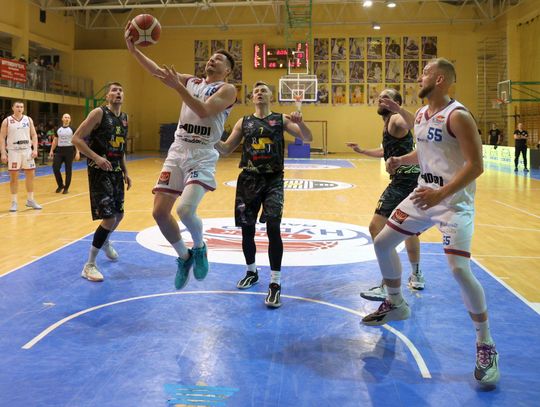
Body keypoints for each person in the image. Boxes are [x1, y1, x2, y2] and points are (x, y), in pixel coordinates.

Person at [361, 58, 499, 386]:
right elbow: (424, 154)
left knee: (459, 270)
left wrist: (442, 194)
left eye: (424, 72)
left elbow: (476, 165)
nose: (418, 77)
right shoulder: (422, 115)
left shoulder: (458, 116)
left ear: (440, 80)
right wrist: (400, 159)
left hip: (452, 203)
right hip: (423, 195)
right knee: (382, 243)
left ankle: (485, 343)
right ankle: (396, 302)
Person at [125, 25, 236, 290]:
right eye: (211, 57)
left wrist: (178, 87)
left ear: (227, 70)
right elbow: (156, 71)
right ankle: (184, 257)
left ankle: (199, 247)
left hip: (202, 154)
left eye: (219, 59)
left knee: (185, 210)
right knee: (159, 213)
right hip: (177, 151)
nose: (212, 60)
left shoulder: (227, 89)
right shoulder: (191, 81)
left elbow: (203, 111)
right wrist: (133, 50)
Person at [215, 81, 312, 307]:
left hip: (273, 179)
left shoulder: (281, 119)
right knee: (247, 229)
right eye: (256, 91)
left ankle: (275, 283)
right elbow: (226, 149)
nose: (259, 93)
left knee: (273, 228)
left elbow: (308, 138)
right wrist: (208, 138)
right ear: (252, 98)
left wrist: (301, 123)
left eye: (263, 91)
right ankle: (252, 272)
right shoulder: (243, 122)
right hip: (248, 179)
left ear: (271, 96)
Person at [346, 88, 425, 301]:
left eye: (386, 97)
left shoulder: (396, 118)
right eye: (380, 97)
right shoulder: (389, 123)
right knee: (409, 231)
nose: (381, 100)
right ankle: (416, 274)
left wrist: (398, 109)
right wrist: (363, 151)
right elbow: (385, 151)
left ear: (396, 102)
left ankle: (388, 283)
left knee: (376, 228)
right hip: (411, 181)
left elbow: (414, 123)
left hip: (404, 182)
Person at [72, 82, 132, 282]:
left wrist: (126, 172)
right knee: (109, 218)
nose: (118, 93)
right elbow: (76, 139)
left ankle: (105, 240)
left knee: (119, 215)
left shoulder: (124, 118)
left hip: (116, 171)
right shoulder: (98, 113)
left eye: (120, 90)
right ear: (107, 96)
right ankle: (89, 265)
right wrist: (96, 157)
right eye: (114, 90)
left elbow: (121, 148)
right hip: (99, 171)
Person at [0, 100, 42, 212]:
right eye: (17, 106)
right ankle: (14, 202)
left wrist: (35, 149)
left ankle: (30, 200)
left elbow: (34, 135)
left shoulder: (28, 119)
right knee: (14, 177)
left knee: (31, 175)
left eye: (21, 107)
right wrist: (3, 152)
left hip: (27, 150)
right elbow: (2, 137)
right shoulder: (7, 121)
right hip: (13, 151)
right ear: (13, 108)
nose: (20, 108)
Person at [49, 113, 80, 194]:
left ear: (70, 120)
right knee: (55, 168)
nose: (67, 119)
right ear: (62, 119)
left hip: (69, 150)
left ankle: (66, 188)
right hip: (59, 151)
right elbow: (55, 140)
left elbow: (76, 141)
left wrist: (77, 152)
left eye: (68, 117)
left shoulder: (73, 129)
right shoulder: (58, 129)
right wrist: (51, 150)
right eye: (65, 117)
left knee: (68, 170)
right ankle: (60, 185)